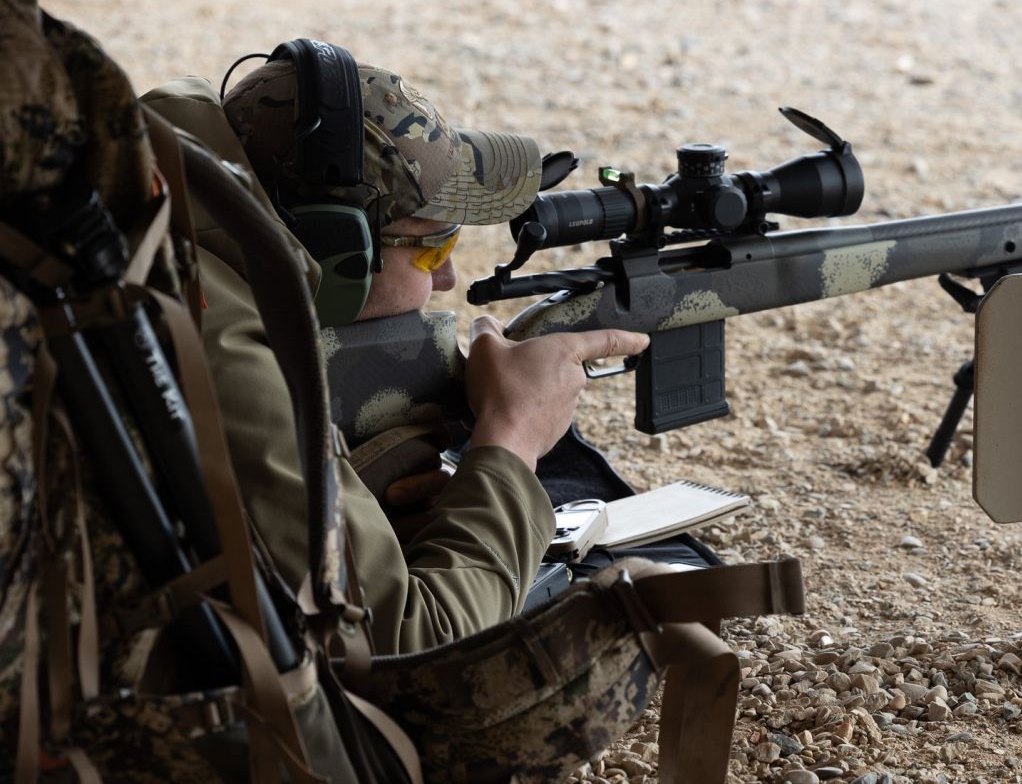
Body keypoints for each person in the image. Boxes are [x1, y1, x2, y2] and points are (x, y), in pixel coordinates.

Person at [141, 53, 647, 653]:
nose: (449, 279)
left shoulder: (165, 201)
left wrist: (354, 492)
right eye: (434, 249)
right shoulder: (220, 352)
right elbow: (416, 642)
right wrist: (513, 438)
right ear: (337, 253)